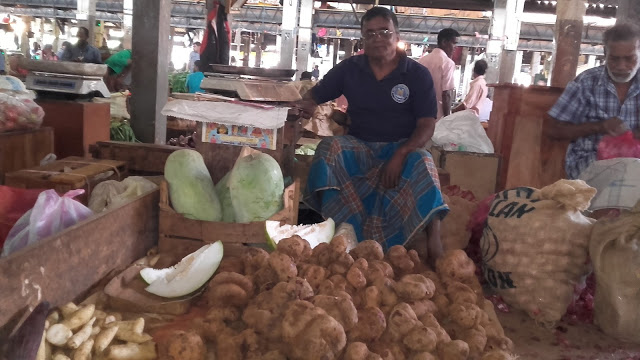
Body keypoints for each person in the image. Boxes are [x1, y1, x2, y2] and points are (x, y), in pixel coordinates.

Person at [298, 7, 448, 266]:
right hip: (360, 146)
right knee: (329, 148)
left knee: (424, 161)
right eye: (370, 33)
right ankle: (335, 231)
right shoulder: (349, 69)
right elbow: (313, 96)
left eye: (384, 32)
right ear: (363, 38)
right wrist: (305, 105)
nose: (378, 38)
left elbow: (427, 124)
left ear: (397, 34)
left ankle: (434, 241)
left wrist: (401, 153)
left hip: (400, 147)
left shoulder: (416, 74)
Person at [546, 23, 640, 212]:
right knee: (629, 175)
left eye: (629, 59)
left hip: (635, 165)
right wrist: (599, 127)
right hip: (589, 166)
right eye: (614, 59)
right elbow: (551, 129)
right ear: (605, 54)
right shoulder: (586, 83)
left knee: (633, 171)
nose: (622, 66)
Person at [418, 28, 460, 120]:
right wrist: (447, 118)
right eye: (454, 43)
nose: (455, 47)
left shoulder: (421, 61)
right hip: (437, 117)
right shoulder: (447, 63)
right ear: (444, 42)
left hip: (418, 115)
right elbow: (446, 94)